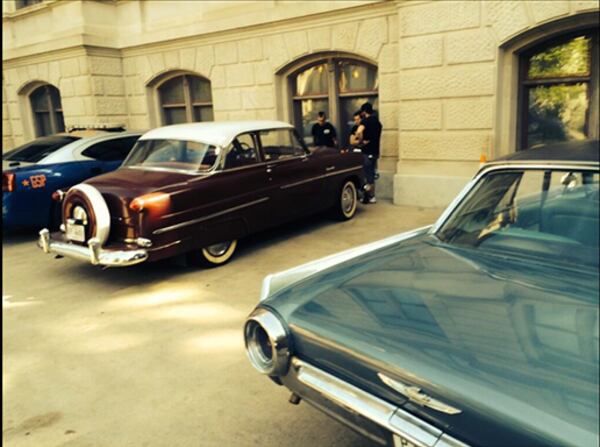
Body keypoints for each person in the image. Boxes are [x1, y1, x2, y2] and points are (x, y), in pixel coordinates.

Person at [356, 102, 382, 204]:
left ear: (364, 112)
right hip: (375, 151)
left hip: (367, 151)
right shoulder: (377, 122)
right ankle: (372, 196)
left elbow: (358, 132)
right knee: (371, 173)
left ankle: (368, 196)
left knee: (367, 175)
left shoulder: (365, 121)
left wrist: (361, 141)